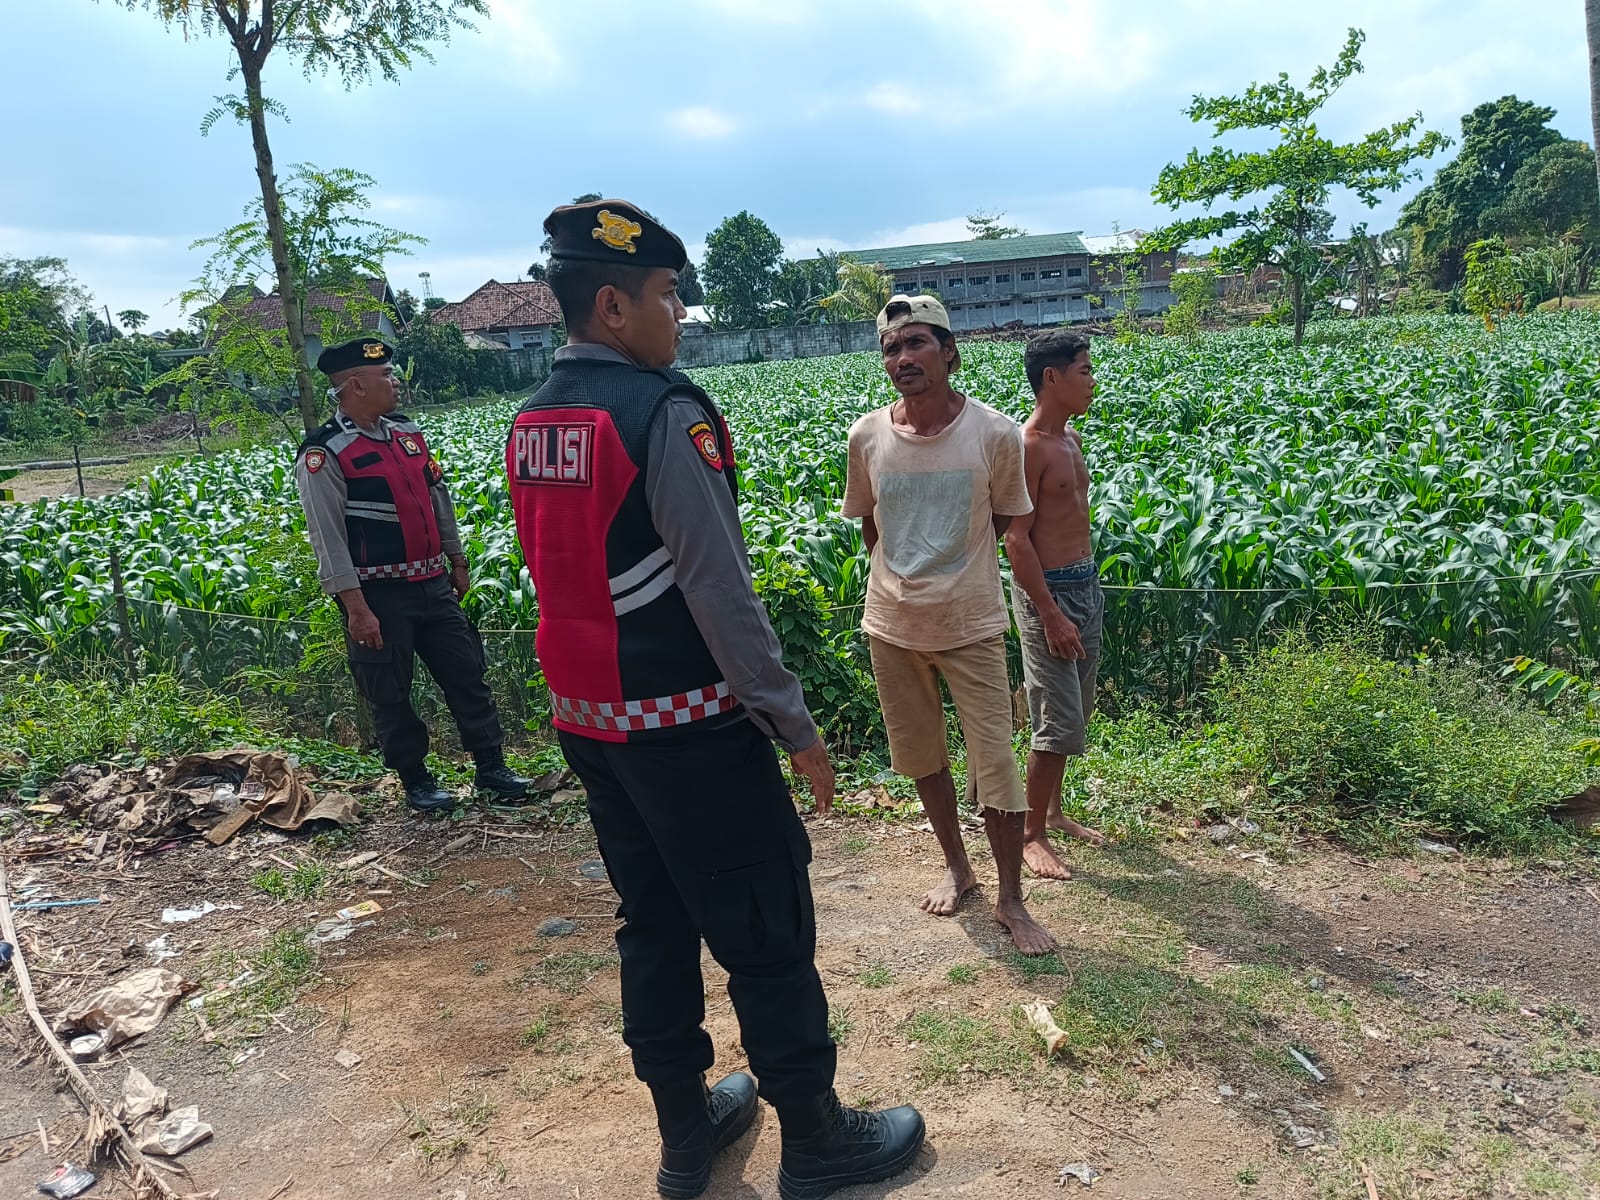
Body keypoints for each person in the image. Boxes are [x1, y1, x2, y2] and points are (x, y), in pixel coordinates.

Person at [505, 199, 923, 1200]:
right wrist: (793, 724)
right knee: (763, 928)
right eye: (664, 295)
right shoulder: (660, 414)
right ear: (612, 305)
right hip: (687, 724)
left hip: (592, 727)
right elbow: (720, 593)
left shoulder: (534, 422)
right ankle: (817, 1140)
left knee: (650, 920)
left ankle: (687, 1139)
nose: (678, 314)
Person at [842, 294, 1058, 956]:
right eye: (891, 349)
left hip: (970, 624)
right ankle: (958, 868)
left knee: (995, 762)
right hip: (892, 625)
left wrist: (955, 566)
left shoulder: (993, 433)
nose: (902, 358)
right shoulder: (867, 436)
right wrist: (906, 576)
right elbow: (872, 525)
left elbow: (1005, 519)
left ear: (948, 350)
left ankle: (1011, 901)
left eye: (916, 344)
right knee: (921, 757)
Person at [294, 337, 531, 814]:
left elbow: (437, 501)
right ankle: (417, 780)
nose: (395, 381)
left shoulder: (407, 435)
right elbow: (327, 536)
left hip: (432, 584)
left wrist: (458, 561)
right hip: (377, 595)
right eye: (385, 376)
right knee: (390, 691)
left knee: (467, 673)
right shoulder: (326, 452)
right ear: (356, 386)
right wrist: (355, 608)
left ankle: (491, 766)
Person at [1001, 331, 1108, 881]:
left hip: (1085, 585)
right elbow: (1016, 540)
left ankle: (1054, 813)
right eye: (1084, 371)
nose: (1092, 381)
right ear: (1053, 378)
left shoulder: (1071, 440)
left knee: (1077, 709)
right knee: (1055, 718)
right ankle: (1030, 833)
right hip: (1050, 595)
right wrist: (1050, 613)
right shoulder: (1030, 447)